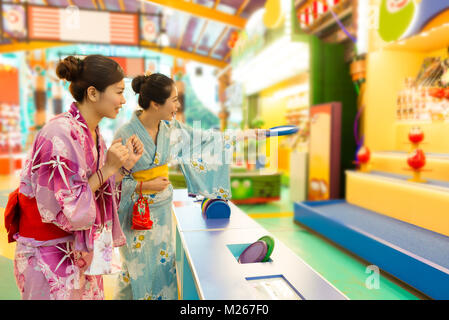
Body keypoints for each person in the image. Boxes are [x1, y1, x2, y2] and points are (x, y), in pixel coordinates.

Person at [9, 54, 144, 300]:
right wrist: (108, 169)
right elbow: (69, 207)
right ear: (93, 93)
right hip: (49, 253)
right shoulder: (58, 134)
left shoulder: (93, 134)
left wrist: (122, 168)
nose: (123, 100)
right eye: (118, 92)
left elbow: (96, 191)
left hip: (78, 251)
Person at [114, 72, 253, 300]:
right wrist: (145, 186)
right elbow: (112, 182)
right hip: (134, 213)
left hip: (162, 209)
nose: (178, 105)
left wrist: (241, 136)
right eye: (174, 100)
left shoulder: (172, 129)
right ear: (156, 103)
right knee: (135, 269)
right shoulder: (125, 134)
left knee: (163, 264)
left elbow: (206, 140)